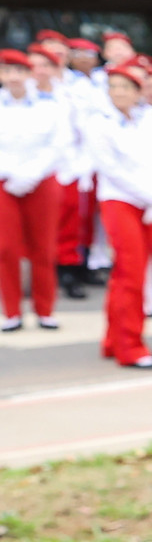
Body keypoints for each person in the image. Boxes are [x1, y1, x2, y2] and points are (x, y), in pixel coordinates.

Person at [82, 63, 152, 369]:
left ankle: (113, 340)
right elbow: (109, 168)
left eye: (126, 87)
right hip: (120, 200)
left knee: (129, 272)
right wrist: (149, 196)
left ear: (138, 92)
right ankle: (131, 346)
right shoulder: (98, 122)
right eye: (114, 87)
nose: (119, 93)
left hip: (150, 202)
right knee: (132, 273)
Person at [0, 49, 68, 332]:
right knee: (6, 248)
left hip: (40, 181)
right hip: (4, 182)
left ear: (29, 75)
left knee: (43, 247)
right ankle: (12, 311)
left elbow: (59, 142)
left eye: (19, 71)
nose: (13, 77)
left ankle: (44, 309)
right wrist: (10, 173)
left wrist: (31, 174)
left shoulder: (50, 104)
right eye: (7, 71)